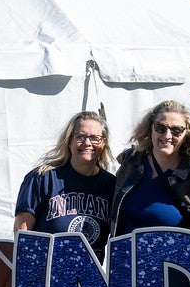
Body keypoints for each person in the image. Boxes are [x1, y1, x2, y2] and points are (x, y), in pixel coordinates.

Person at [14, 110, 116, 256]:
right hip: (47, 268)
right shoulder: (43, 178)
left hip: (91, 270)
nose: (87, 143)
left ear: (103, 143)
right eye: (80, 136)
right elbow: (22, 232)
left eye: (94, 138)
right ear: (69, 141)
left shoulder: (112, 185)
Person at [110, 100, 190, 237]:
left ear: (186, 135)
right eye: (160, 127)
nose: (167, 135)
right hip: (124, 250)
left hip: (174, 251)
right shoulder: (132, 161)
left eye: (176, 130)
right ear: (151, 129)